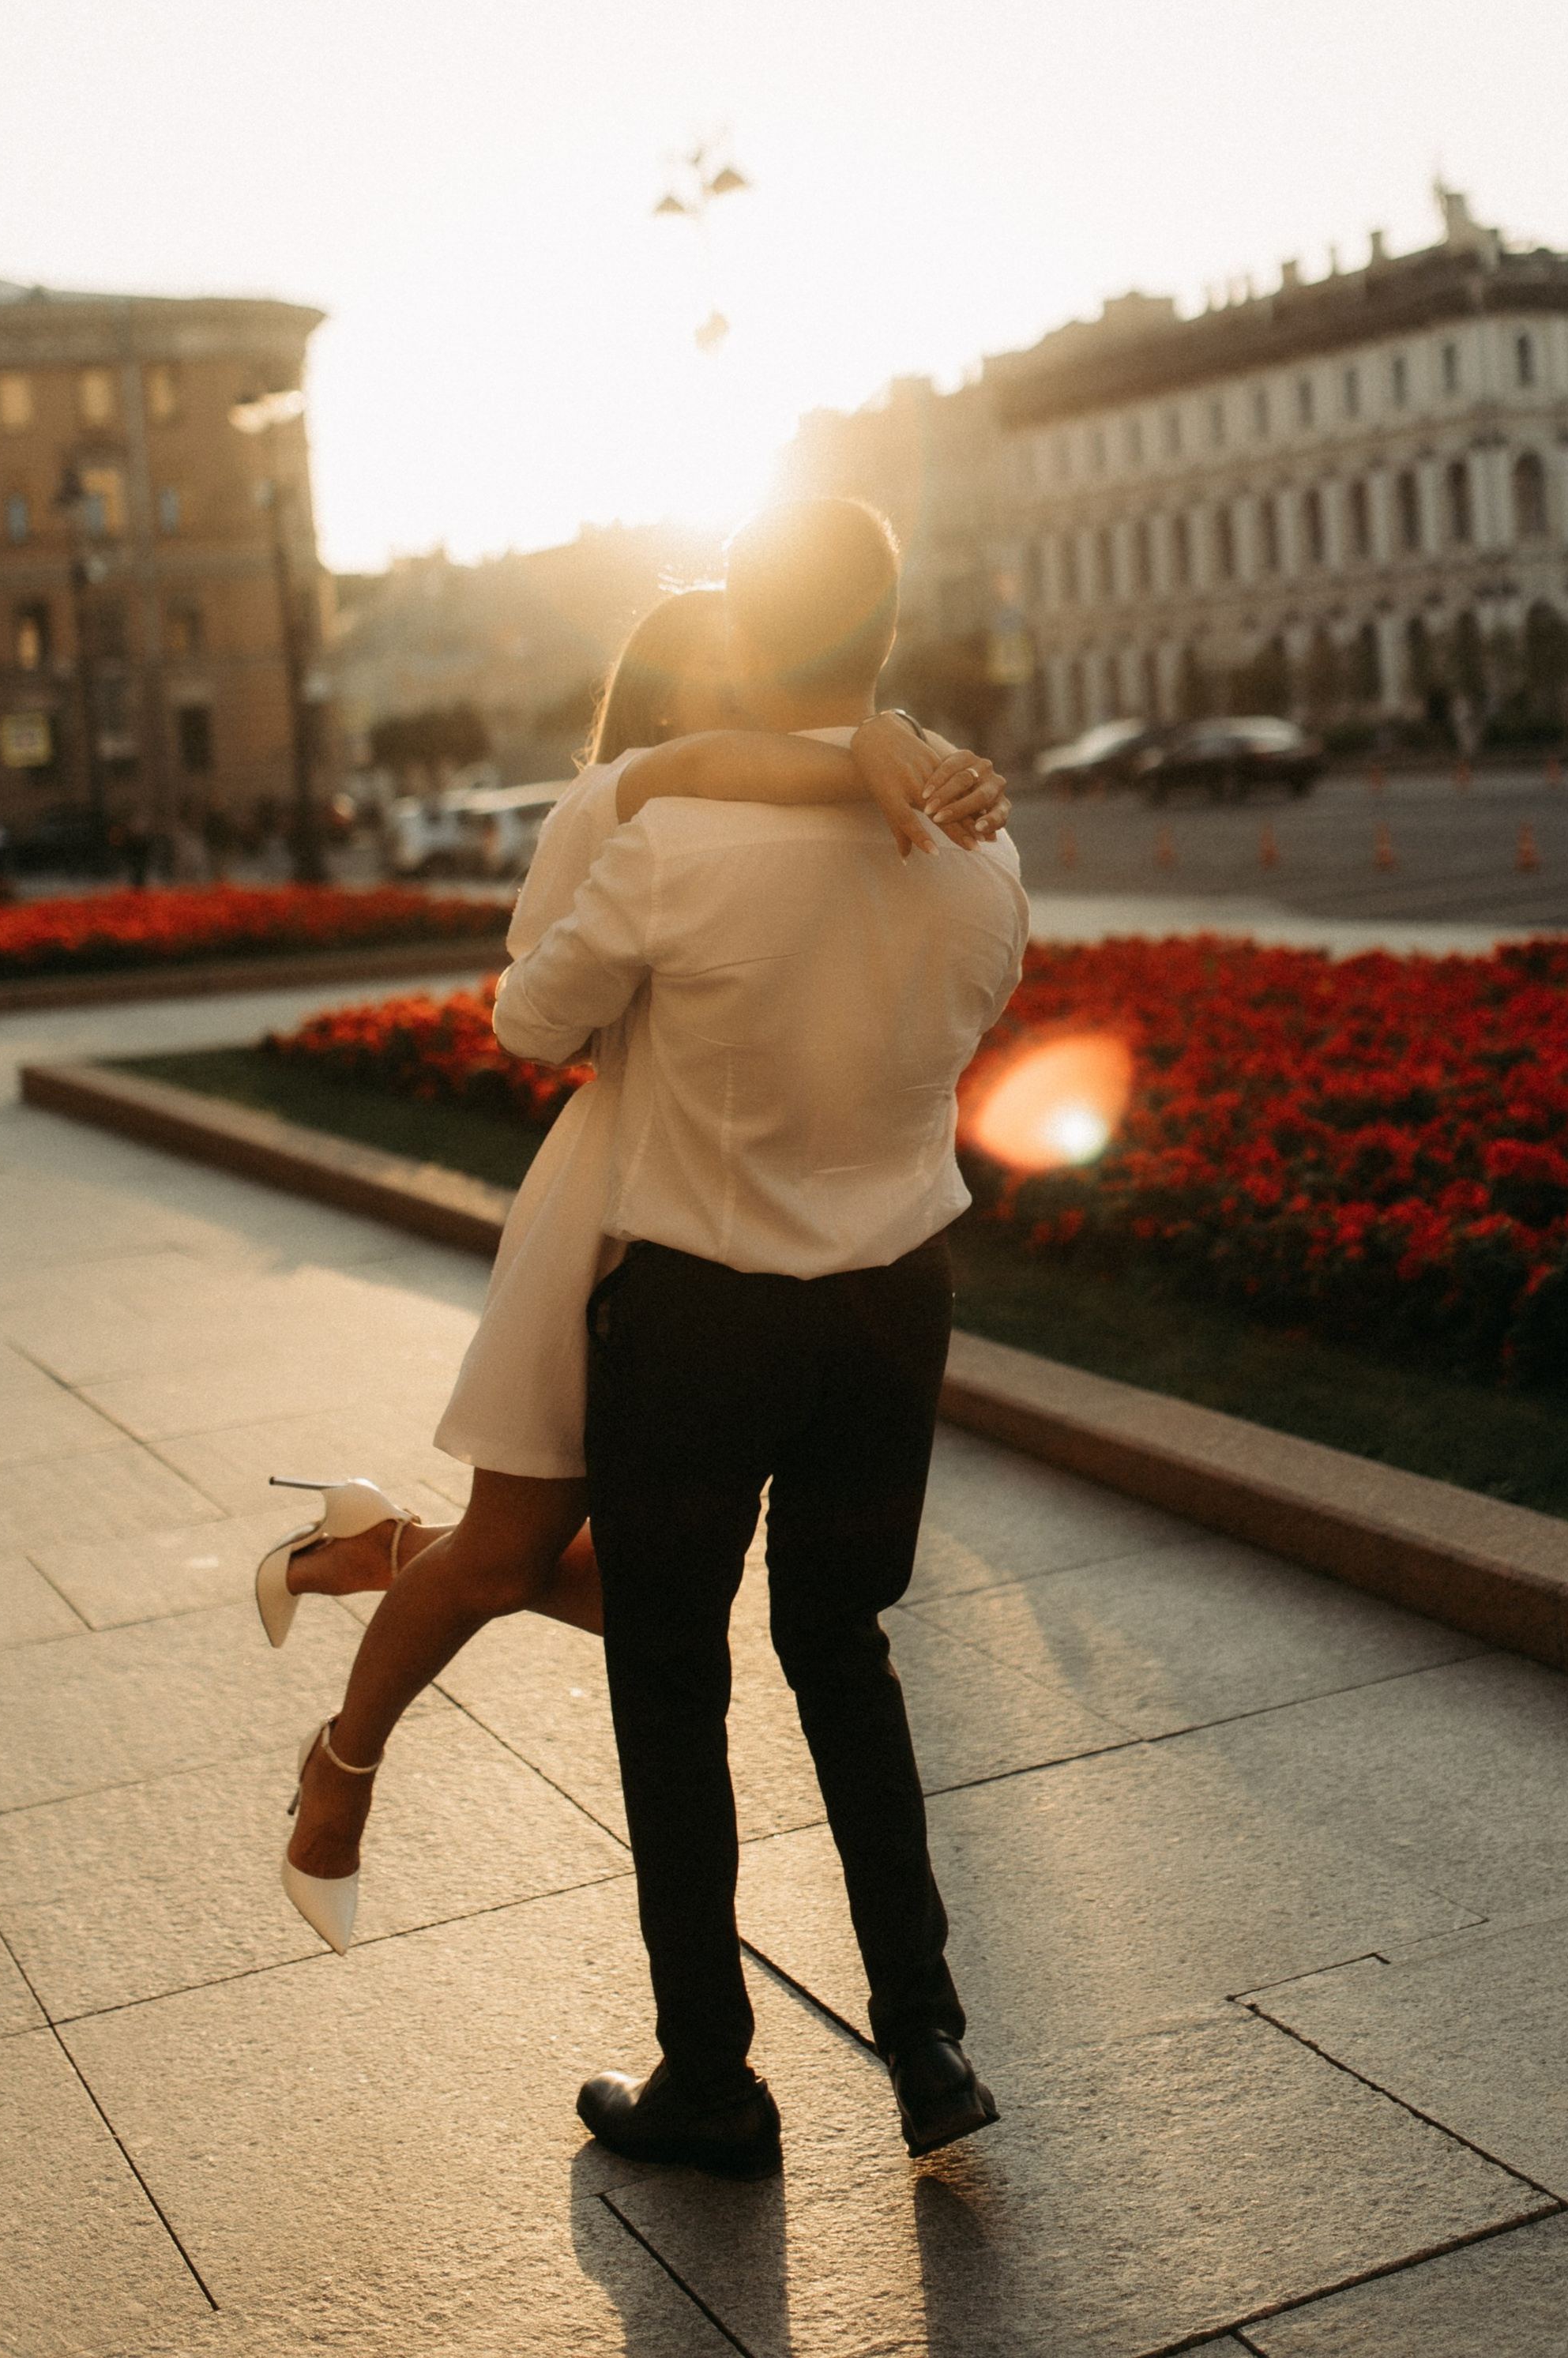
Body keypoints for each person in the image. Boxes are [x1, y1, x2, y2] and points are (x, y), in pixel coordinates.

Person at [263, 581, 1008, 1955]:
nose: (752, 708)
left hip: (713, 1209)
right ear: (680, 701)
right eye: (724, 684)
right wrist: (876, 742)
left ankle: (378, 1545)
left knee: (624, 1590)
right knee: (517, 1555)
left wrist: (882, 740)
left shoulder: (788, 796)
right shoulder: (621, 803)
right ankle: (340, 1772)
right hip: (619, 1204)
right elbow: (544, 1008)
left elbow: (799, 770)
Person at [494, 498, 1027, 2180]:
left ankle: (712, 2080)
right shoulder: (980, 850)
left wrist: (642, 794)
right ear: (884, 637)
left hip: (699, 1318)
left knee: (672, 1675)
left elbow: (526, 1019)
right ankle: (926, 2036)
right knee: (844, 1646)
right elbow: (971, 1010)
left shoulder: (671, 840)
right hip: (894, 1305)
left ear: (738, 635)